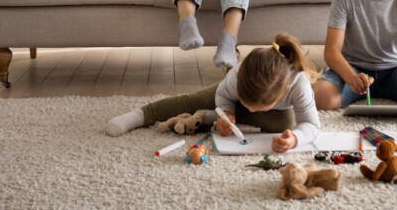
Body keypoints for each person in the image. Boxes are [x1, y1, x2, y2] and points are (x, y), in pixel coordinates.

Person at [105, 33, 321, 153]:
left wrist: (294, 139)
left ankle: (208, 118)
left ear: (284, 90)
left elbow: (311, 125)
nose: (250, 110)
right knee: (195, 100)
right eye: (246, 103)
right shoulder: (238, 74)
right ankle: (141, 114)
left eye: (255, 107)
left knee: (285, 125)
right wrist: (227, 113)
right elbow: (223, 97)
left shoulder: (299, 84)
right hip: (229, 97)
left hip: (277, 114)